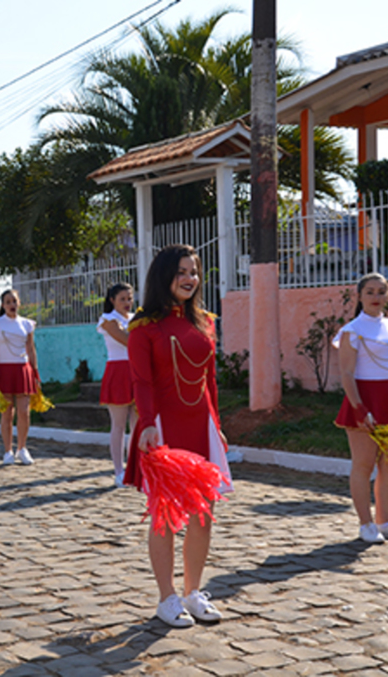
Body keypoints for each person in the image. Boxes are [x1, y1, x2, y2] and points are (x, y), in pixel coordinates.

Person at [124, 244, 233, 628]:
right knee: (165, 515)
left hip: (200, 424)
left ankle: (193, 592)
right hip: (163, 426)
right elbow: (142, 380)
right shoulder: (143, 326)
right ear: (164, 276)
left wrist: (217, 425)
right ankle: (166, 597)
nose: (190, 279)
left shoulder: (206, 321)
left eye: (194, 272)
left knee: (203, 514)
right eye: (181, 272)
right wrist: (148, 421)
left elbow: (210, 380)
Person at [333, 272, 388, 544]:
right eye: (369, 292)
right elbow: (347, 373)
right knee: (363, 463)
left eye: (381, 292)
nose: (376, 297)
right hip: (364, 397)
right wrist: (359, 408)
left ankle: (385, 521)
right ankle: (366, 524)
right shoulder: (352, 330)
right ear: (359, 296)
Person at [0, 289, 40, 465]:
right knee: (7, 412)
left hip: (23, 370)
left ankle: (22, 448)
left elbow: (31, 349)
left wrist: (35, 371)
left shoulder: (27, 324)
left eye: (14, 301)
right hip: (4, 371)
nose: (12, 305)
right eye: (8, 302)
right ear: (2, 305)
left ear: (19, 303)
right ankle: (8, 451)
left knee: (24, 412)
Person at [98, 283, 137, 488]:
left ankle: (135, 467)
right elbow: (127, 340)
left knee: (137, 425)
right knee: (119, 425)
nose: (127, 303)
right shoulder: (107, 320)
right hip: (118, 372)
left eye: (129, 299)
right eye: (122, 299)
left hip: (137, 372)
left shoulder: (135, 319)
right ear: (112, 300)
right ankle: (119, 471)